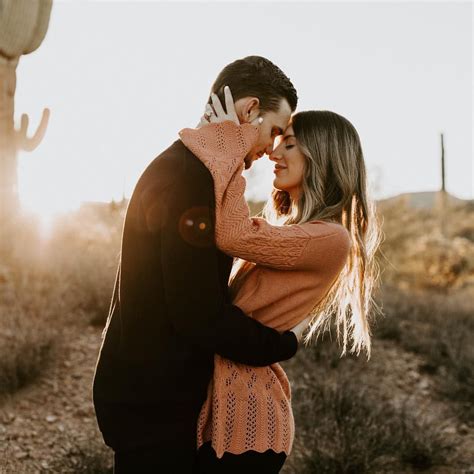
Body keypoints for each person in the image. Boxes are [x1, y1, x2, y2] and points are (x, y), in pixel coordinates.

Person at [92, 56, 309, 473]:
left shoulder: (192, 166)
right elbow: (197, 311)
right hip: (151, 403)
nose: (271, 149)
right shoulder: (190, 177)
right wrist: (282, 343)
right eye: (274, 130)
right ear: (249, 111)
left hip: (151, 390)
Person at [177, 88, 382, 472]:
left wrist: (231, 147)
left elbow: (234, 234)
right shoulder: (292, 230)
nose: (273, 153)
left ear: (321, 155)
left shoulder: (329, 238)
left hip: (250, 422)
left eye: (288, 144)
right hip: (227, 408)